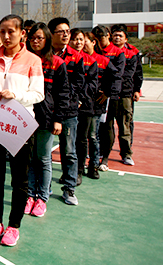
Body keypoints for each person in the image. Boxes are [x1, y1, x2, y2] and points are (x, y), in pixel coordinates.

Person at [0, 14, 44, 247]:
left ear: (22, 34)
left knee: (19, 179)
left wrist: (15, 95)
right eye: (2, 32)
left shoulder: (33, 61)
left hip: (21, 125)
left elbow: (38, 94)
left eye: (11, 32)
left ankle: (14, 226)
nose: (6, 37)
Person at [26, 23, 69, 218]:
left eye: (40, 38)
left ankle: (42, 198)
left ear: (47, 40)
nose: (35, 41)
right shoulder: (24, 61)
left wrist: (58, 119)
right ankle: (29, 195)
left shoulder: (57, 63)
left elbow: (63, 94)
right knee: (29, 159)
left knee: (43, 159)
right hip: (25, 117)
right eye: (33, 38)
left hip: (46, 118)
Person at [48, 17, 87, 206]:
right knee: (43, 152)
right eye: (61, 31)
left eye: (68, 31)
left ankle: (69, 188)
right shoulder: (43, 55)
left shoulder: (77, 56)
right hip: (46, 110)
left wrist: (74, 100)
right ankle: (42, 188)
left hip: (68, 111)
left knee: (69, 151)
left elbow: (80, 82)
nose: (65, 35)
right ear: (51, 34)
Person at [101, 24, 143, 167]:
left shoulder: (132, 52)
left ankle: (126, 153)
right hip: (108, 94)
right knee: (106, 124)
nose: (117, 37)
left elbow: (136, 73)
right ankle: (103, 151)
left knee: (125, 124)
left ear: (125, 38)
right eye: (115, 35)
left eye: (120, 35)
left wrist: (136, 89)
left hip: (125, 93)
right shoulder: (105, 50)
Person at [80, 31, 118, 178]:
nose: (82, 44)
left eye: (85, 41)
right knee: (81, 137)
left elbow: (116, 77)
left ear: (93, 42)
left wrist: (108, 92)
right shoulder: (80, 59)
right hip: (82, 104)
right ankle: (80, 166)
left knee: (93, 135)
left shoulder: (103, 60)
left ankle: (94, 165)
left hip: (96, 104)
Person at [69, 28, 99, 185]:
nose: (78, 42)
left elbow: (92, 84)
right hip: (67, 106)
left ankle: (79, 170)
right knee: (68, 140)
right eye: (75, 39)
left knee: (81, 139)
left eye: (81, 39)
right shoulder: (67, 59)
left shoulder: (90, 60)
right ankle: (69, 171)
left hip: (85, 106)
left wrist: (80, 99)